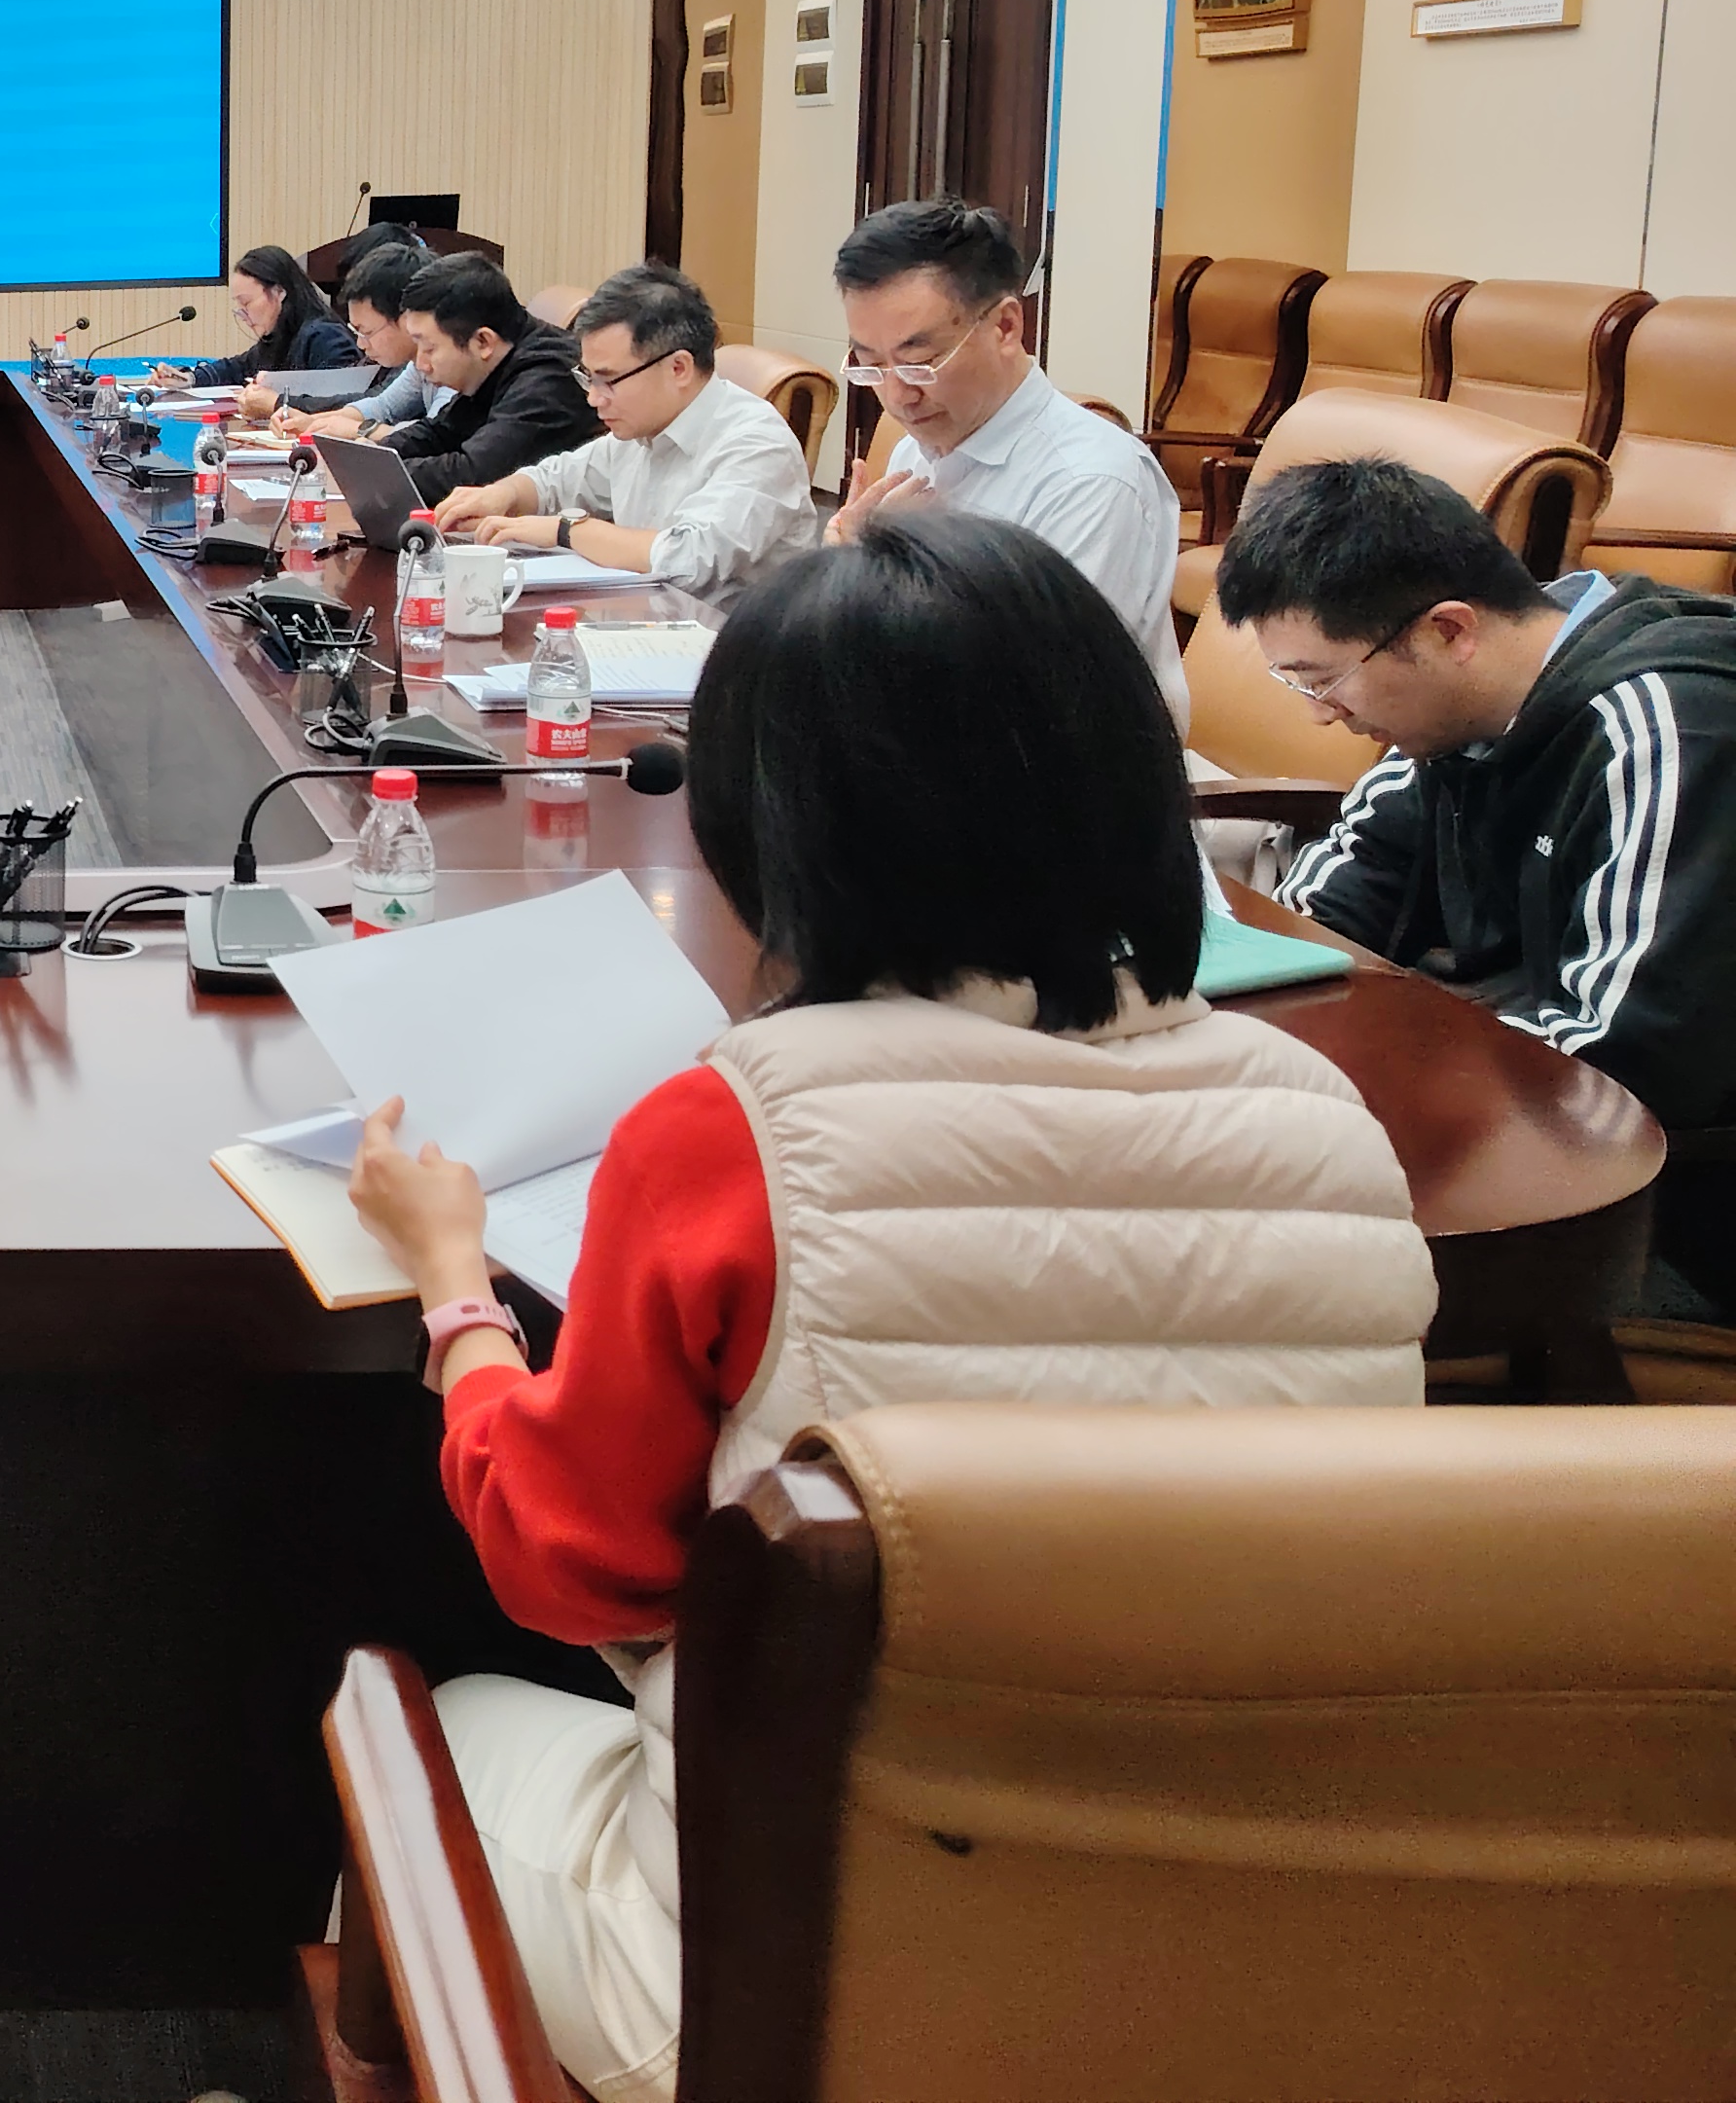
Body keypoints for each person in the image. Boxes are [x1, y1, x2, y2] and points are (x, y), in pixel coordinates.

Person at [344, 513, 1437, 2103]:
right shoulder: (1322, 1114)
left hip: (803, 1989)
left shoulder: (736, 1130)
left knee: (424, 1722)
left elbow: (570, 1570)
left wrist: (459, 1296)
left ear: (771, 824)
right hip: (1257, 1962)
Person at [1219, 455, 1736, 1308]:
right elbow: (1320, 918)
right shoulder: (1457, 713)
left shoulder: (1667, 734)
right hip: (1523, 1102)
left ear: (1449, 631)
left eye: (1324, 679)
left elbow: (1631, 1052)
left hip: (1666, 1195)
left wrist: (1391, 1090)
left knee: (1281, 1276)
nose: (1319, 714)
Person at [829, 196, 1185, 727]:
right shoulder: (916, 449)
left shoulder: (1091, 481)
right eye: (870, 365)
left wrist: (868, 577)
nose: (899, 396)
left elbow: (1035, 688)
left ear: (1005, 326)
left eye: (920, 362)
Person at [424, 261, 817, 601]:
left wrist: (566, 530)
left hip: (729, 647)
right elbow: (558, 479)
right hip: (647, 624)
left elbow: (687, 558)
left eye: (609, 380)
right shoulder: (639, 431)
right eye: (588, 378)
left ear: (678, 368)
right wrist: (503, 494)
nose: (594, 398)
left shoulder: (757, 443)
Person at [381, 251, 603, 494]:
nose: (421, 364)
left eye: (429, 348)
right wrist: (376, 454)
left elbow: (476, 475)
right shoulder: (497, 361)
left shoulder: (549, 382)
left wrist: (383, 472)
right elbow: (441, 432)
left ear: (483, 342)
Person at [252, 245, 424, 434]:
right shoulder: (418, 367)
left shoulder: (442, 367)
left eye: (366, 332)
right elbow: (382, 406)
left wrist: (357, 430)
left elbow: (433, 439)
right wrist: (310, 421)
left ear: (407, 319)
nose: (360, 344)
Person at [159, 242, 355, 389]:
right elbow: (237, 368)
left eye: (246, 303)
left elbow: (336, 401)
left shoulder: (325, 337)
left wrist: (273, 403)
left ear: (279, 292)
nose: (242, 314)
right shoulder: (280, 336)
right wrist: (190, 378)